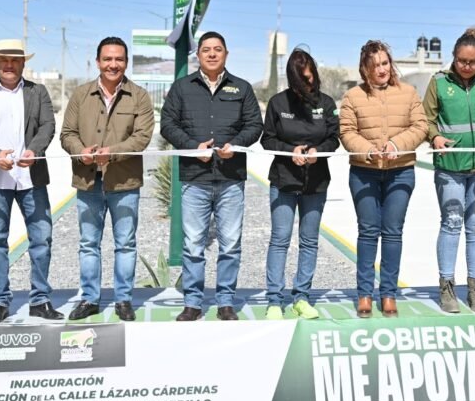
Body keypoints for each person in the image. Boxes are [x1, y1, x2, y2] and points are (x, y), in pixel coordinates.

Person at [160, 31, 262, 321]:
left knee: (230, 244)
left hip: (231, 178)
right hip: (195, 179)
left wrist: (236, 144)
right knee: (193, 244)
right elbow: (167, 124)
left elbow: (255, 125)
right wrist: (193, 146)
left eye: (218, 49)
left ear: (226, 54)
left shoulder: (242, 88)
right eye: (206, 49)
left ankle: (225, 301)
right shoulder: (182, 87)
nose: (212, 54)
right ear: (199, 55)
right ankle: (193, 302)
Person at [0, 39, 61, 324]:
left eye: (15, 60)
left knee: (41, 239)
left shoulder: (37, 92)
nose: (9, 65)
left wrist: (35, 150)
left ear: (23, 63)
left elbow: (48, 125)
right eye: (3, 60)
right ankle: (0, 301)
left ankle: (40, 300)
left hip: (31, 179)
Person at [60, 37, 154, 322]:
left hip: (124, 183)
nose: (113, 64)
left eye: (119, 59)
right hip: (87, 182)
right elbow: (67, 134)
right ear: (98, 62)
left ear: (126, 62)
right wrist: (81, 152)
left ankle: (123, 299)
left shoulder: (139, 96)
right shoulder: (80, 95)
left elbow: (142, 138)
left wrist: (110, 153)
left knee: (125, 243)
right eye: (108, 59)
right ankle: (89, 298)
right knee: (88, 243)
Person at [339, 40, 427, 318]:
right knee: (368, 232)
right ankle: (364, 293)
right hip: (364, 172)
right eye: (375, 65)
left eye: (385, 63)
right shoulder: (352, 96)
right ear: (365, 68)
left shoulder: (409, 92)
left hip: (400, 171)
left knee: (392, 232)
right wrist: (367, 150)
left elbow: (420, 126)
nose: (381, 69)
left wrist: (397, 145)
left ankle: (388, 293)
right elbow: (346, 132)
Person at [422, 28, 475, 314]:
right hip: (450, 167)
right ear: (453, 57)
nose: (466, 66)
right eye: (461, 61)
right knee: (451, 222)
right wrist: (435, 137)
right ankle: (446, 287)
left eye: (472, 62)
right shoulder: (438, 82)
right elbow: (426, 119)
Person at [260, 48, 339, 320]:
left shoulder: (326, 103)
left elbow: (334, 138)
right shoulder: (278, 103)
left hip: (316, 182)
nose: (307, 83)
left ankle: (301, 298)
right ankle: (274, 300)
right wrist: (288, 151)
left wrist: (319, 151)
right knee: (280, 239)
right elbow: (267, 139)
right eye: (301, 80)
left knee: (309, 240)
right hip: (284, 180)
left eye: (310, 77)